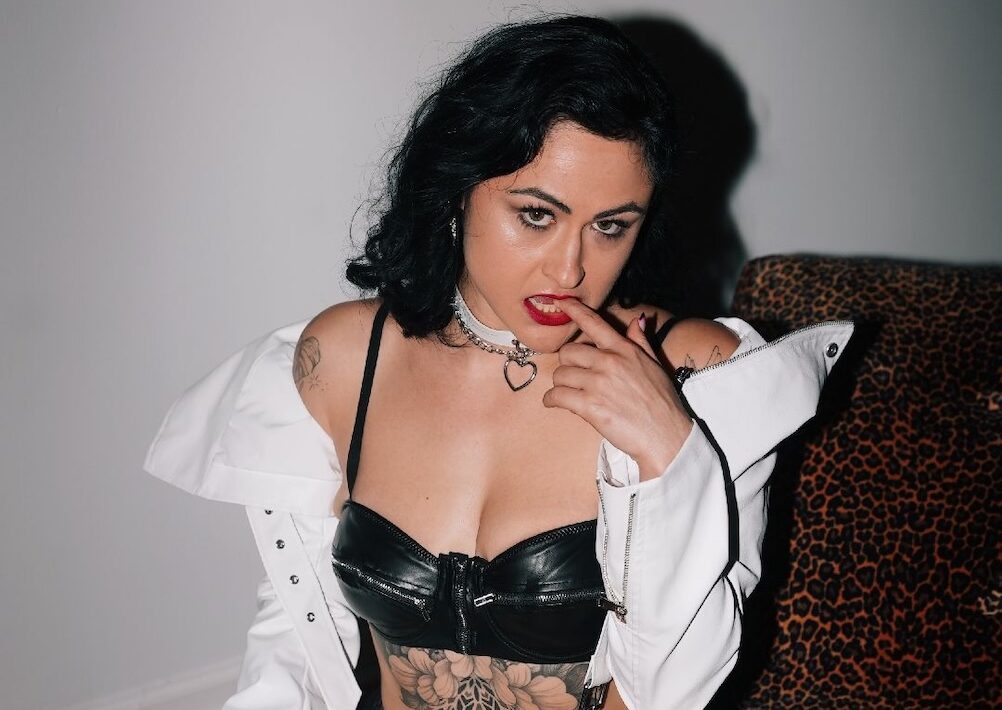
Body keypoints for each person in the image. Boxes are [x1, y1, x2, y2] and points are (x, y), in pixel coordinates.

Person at [144, 15, 854, 710]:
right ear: (457, 190)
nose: (570, 269)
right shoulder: (346, 359)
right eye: (537, 215)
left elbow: (682, 689)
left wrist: (673, 454)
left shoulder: (698, 372)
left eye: (610, 227)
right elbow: (296, 639)